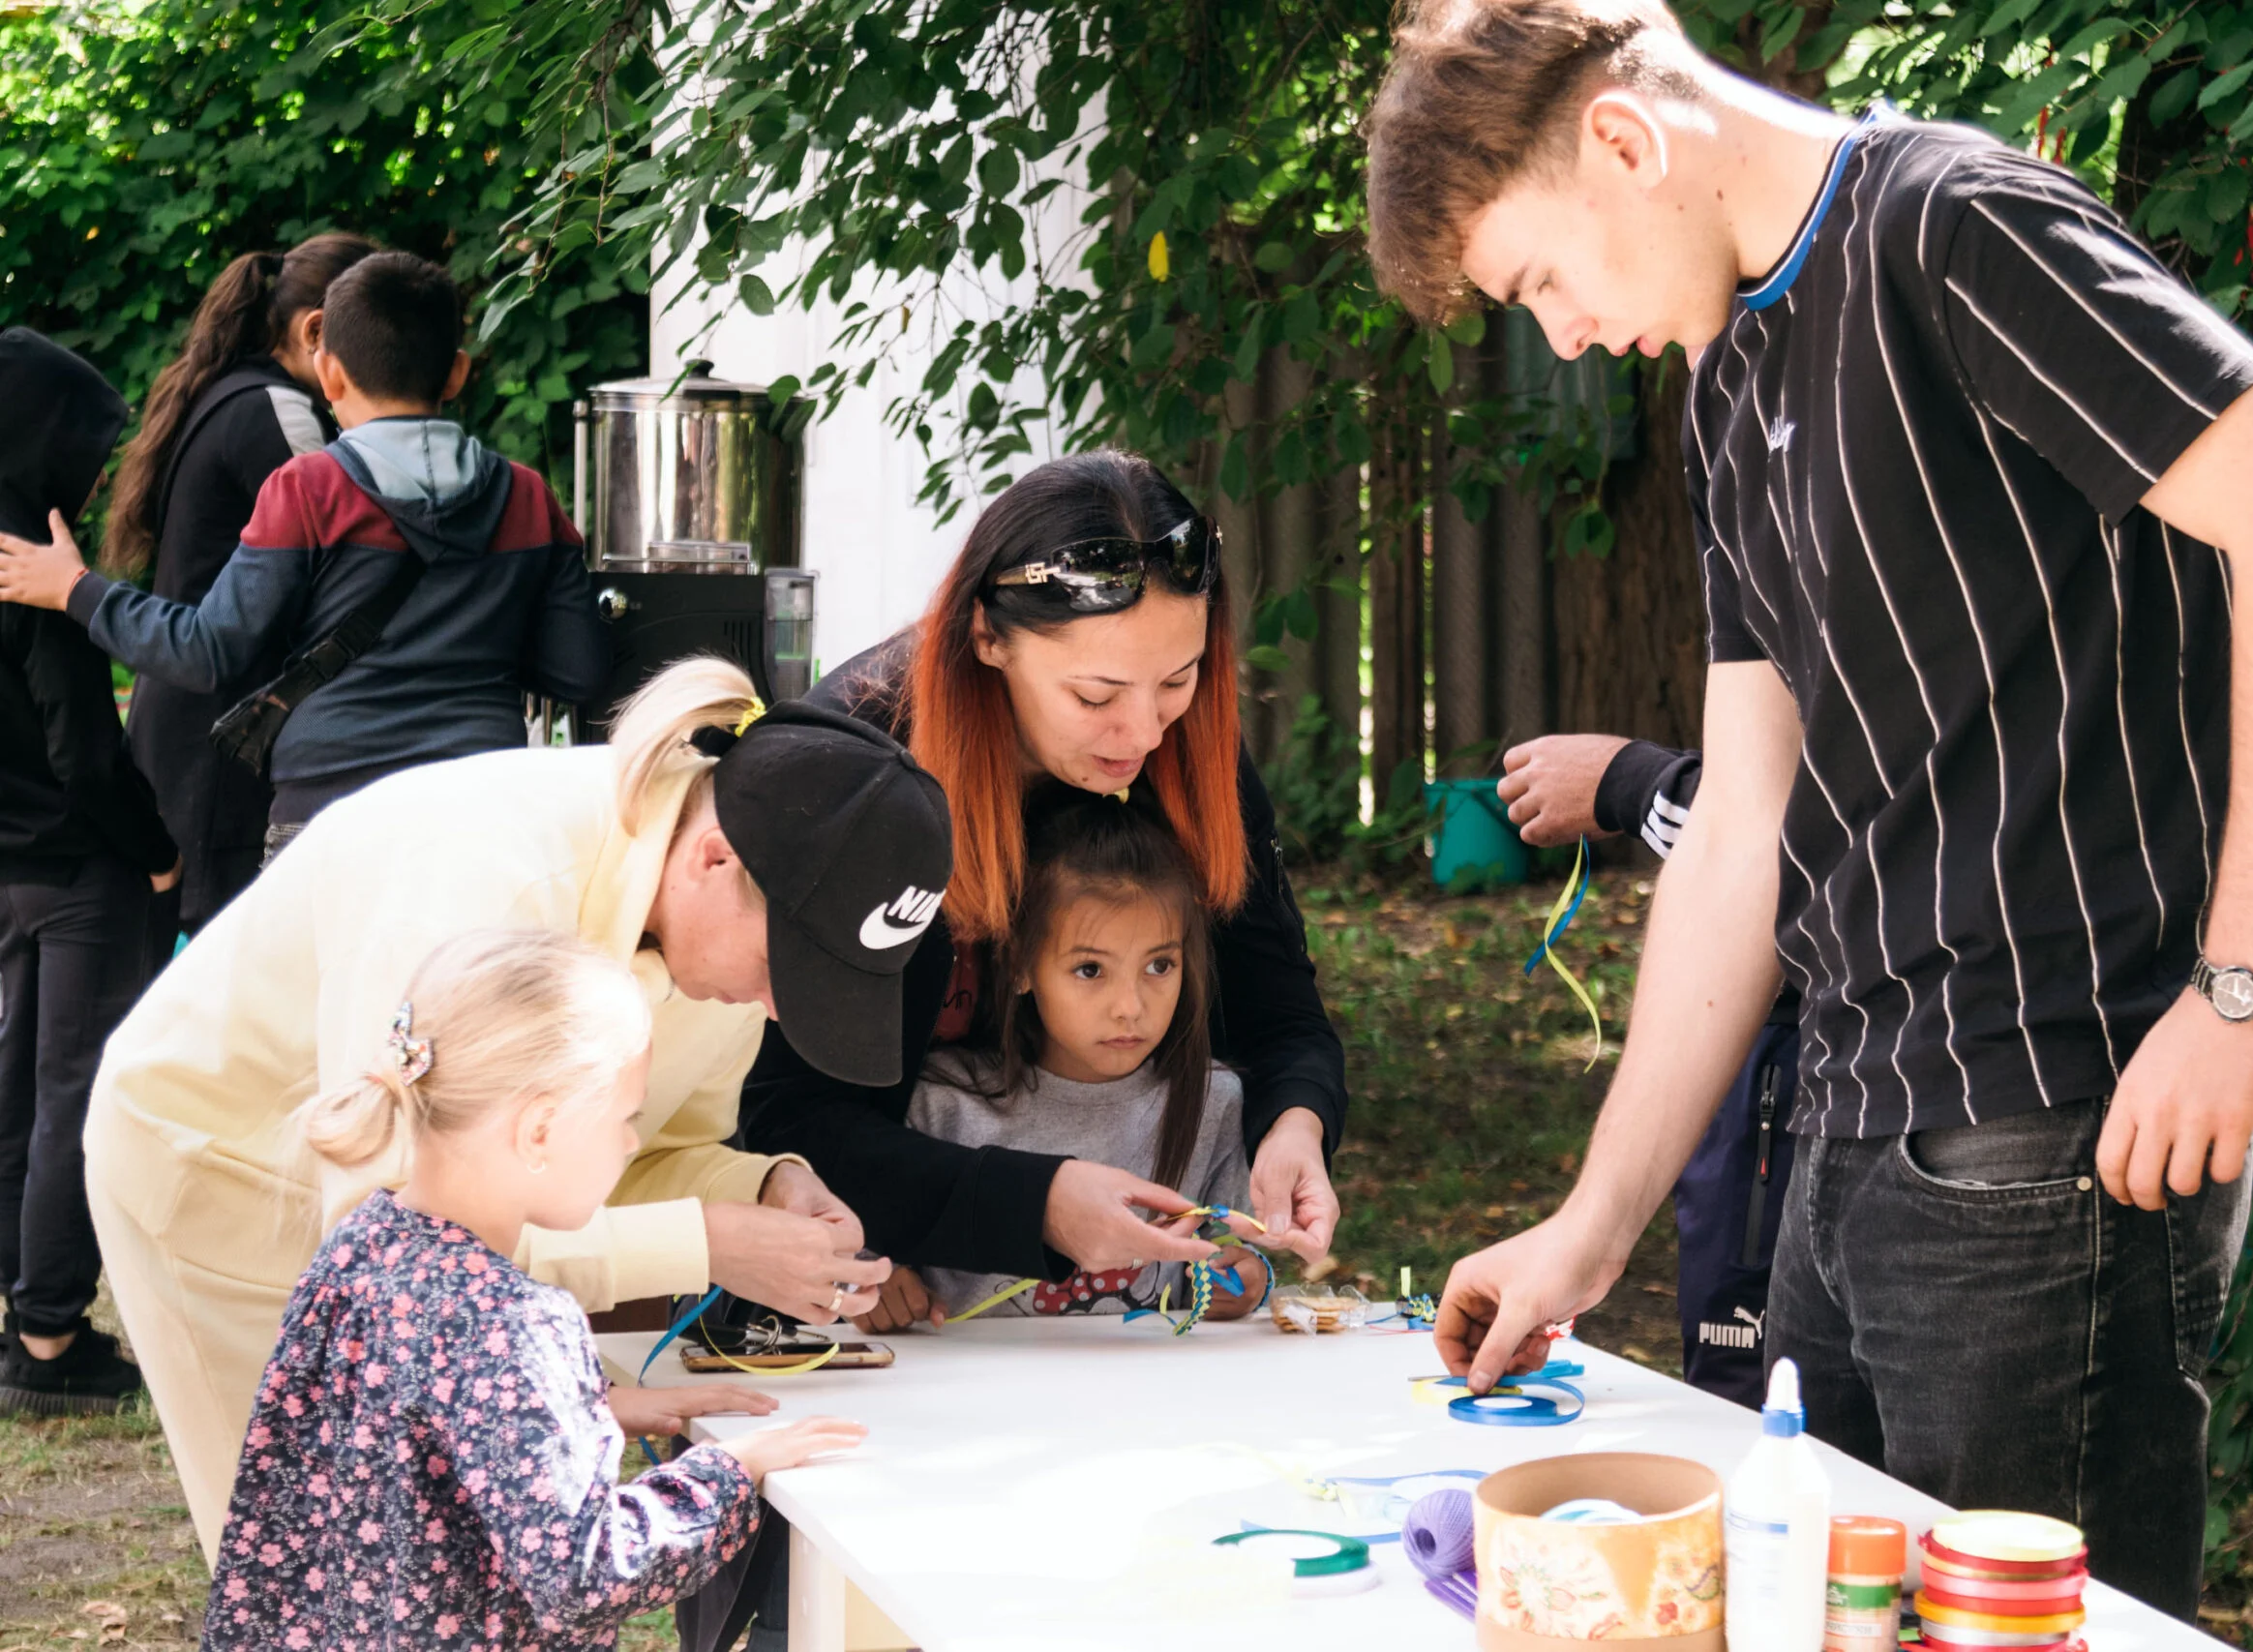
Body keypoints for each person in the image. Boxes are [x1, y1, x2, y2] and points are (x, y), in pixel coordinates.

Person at [1367, 0, 2253, 1618]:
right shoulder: (1721, 389)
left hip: (2058, 1141)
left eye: (1542, 282)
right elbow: (1739, 826)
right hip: (1845, 1144)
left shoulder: (1952, 227)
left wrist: (2245, 988)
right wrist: (1594, 1224)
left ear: (1627, 145)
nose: (1562, 336)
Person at [78, 653, 937, 1550]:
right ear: (714, 858)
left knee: (447, 1566)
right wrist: (707, 1240)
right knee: (322, 1562)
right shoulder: (478, 883)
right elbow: (402, 1237)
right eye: (785, 971)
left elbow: (637, 1155)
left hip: (402, 1237)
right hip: (225, 1175)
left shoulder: (720, 941)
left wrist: (757, 1188)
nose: (774, 1008)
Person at [737, 450, 1346, 1296]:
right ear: (987, 634)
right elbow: (781, 1121)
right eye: (1095, 696)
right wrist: (1036, 1204)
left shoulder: (1186, 741)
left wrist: (1294, 1125)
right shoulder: (861, 771)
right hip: (873, 1294)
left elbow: (1280, 1011)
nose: (1141, 732)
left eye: (1178, 679)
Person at [204, 929, 866, 1652]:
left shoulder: (359, 1251)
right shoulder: (515, 1319)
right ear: (540, 1128)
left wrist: (592, 1411)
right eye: (625, 1117)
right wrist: (729, 1471)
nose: (632, 1144)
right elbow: (586, 1570)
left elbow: (397, 1432)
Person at [0, 249, 609, 857]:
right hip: (479, 808)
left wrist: (75, 589)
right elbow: (577, 671)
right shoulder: (529, 498)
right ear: (456, 373)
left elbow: (208, 651)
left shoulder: (307, 491)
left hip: (330, 817)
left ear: (330, 371)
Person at [872, 786, 1272, 1330]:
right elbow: (862, 1248)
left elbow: (1233, 1251)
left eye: (1159, 966)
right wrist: (876, 1278)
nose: (1130, 1008)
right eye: (1090, 970)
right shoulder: (943, 1105)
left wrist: (1246, 1279)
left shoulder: (1210, 1103)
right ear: (1019, 966)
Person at [1498, 732, 1798, 1406]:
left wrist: (1631, 781)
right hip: (1769, 1062)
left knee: (1785, 1409)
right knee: (1746, 1399)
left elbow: (1783, 836)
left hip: (1853, 1075)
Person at [0, 331, 183, 1415]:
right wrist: (156, 853)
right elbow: (86, 746)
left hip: (8, 867)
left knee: (19, 1077)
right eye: (85, 443)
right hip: (80, 873)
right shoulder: (33, 566)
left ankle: (24, 1309)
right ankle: (54, 1335)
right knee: (75, 1088)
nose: (97, 470)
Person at [99, 232, 376, 938]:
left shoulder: (226, 393)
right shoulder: (275, 410)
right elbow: (353, 550)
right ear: (316, 330)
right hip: (218, 742)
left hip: (188, 728)